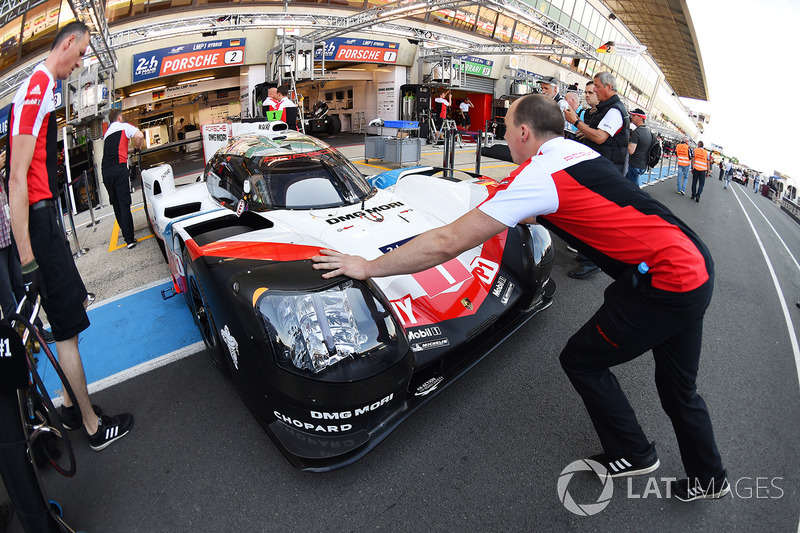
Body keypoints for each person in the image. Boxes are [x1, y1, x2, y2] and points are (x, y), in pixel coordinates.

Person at [312, 94, 729, 502]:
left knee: (582, 360)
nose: (505, 136)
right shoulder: (576, 153)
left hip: (663, 281)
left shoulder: (536, 177)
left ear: (524, 132)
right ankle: (710, 477)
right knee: (679, 387)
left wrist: (364, 266)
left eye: (507, 128)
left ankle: (633, 452)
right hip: (694, 262)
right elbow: (554, 206)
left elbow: (446, 242)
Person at [8, 21, 133, 450]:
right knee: (65, 330)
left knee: (72, 314)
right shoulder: (39, 85)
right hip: (38, 226)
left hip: (46, 224)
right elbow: (17, 179)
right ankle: (93, 426)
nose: (80, 63)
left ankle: (66, 402)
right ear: (66, 43)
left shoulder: (41, 88)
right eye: (79, 53)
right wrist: (27, 257)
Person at [0, 149, 54, 342]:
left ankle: (36, 331)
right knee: (6, 297)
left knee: (22, 289)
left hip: (9, 237)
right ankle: (16, 344)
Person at [564, 71, 630, 176]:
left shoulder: (614, 110)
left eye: (597, 86)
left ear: (608, 87)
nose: (594, 90)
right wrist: (577, 120)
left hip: (605, 170)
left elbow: (599, 137)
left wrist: (575, 122)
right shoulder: (606, 108)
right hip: (600, 166)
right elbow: (595, 132)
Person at [102, 109, 144, 249]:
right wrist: (138, 146)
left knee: (116, 203)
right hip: (119, 169)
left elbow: (120, 149)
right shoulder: (125, 126)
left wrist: (130, 148)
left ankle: (126, 235)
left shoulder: (107, 134)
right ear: (120, 117)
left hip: (106, 171)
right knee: (124, 202)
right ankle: (130, 239)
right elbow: (139, 135)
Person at [626, 108, 653, 186]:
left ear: (640, 118)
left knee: (635, 189)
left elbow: (631, 150)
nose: (631, 117)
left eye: (634, 115)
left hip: (635, 165)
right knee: (625, 183)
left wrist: (625, 143)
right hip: (642, 164)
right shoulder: (648, 131)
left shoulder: (637, 132)